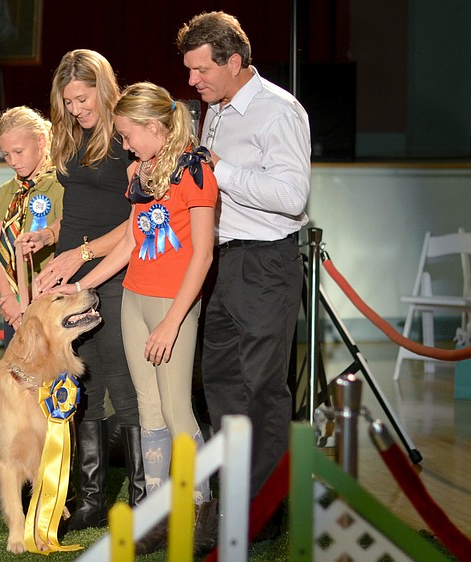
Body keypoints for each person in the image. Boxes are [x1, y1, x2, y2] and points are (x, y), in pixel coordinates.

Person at [51, 81, 218, 555]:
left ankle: (202, 511)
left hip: (172, 304)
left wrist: (172, 321)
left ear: (154, 126)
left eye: (128, 135)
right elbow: (130, 241)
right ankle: (158, 515)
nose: (124, 144)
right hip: (134, 298)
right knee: (147, 411)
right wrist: (81, 285)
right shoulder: (139, 172)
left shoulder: (196, 171)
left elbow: (203, 255)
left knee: (176, 408)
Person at [176, 12, 311, 500]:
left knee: (263, 388)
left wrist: (221, 168)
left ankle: (263, 509)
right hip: (222, 262)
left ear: (233, 62)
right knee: (221, 381)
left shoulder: (279, 110)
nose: (193, 81)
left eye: (201, 70)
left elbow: (292, 196)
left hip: (266, 263)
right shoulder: (215, 109)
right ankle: (235, 497)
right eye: (190, 70)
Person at [30, 49, 145, 532]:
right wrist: (51, 235)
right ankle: (92, 501)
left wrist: (80, 255)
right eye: (68, 102)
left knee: (125, 386)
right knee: (84, 387)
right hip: (70, 277)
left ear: (104, 87)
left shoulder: (125, 137)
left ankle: (142, 502)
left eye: (82, 98)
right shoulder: (69, 135)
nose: (76, 109)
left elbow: (135, 223)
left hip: (114, 274)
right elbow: (80, 206)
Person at [0, 106, 63, 345]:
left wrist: (28, 298)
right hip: (14, 305)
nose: (13, 161)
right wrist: (9, 298)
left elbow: (66, 242)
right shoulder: (6, 191)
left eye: (19, 152)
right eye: (6, 155)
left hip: (50, 300)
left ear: (41, 140)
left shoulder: (61, 184)